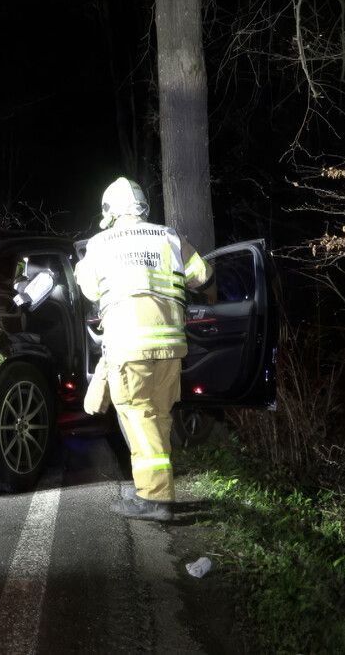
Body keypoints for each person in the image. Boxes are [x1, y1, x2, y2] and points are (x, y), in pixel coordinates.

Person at [75, 177, 213, 522]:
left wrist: (80, 269)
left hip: (129, 347)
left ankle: (155, 499)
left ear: (109, 210)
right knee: (158, 418)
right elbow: (203, 275)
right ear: (142, 206)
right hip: (170, 346)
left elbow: (90, 291)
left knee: (138, 418)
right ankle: (152, 491)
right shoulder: (168, 236)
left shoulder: (100, 244)